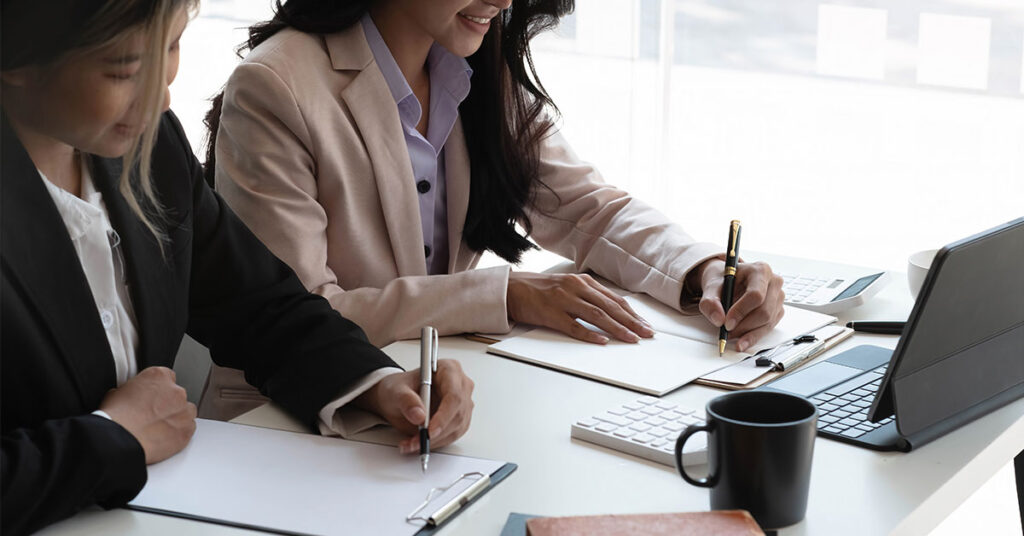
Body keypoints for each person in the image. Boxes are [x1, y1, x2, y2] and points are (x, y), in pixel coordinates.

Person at [0, 1, 475, 534]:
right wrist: (112, 438)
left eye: (174, 46)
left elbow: (256, 304)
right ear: (15, 60)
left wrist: (377, 384)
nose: (161, 97)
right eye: (125, 70)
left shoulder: (148, 146)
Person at [202, 0, 786, 419]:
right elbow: (299, 314)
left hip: (434, 402)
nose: (503, 0)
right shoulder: (275, 86)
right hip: (292, 421)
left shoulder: (471, 70)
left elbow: (588, 210)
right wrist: (505, 294)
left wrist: (703, 269)